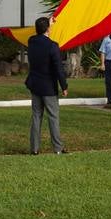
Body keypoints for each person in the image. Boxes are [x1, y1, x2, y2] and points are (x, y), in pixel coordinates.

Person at [24, 16, 68, 154]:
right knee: (53, 117)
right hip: (48, 87)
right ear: (48, 29)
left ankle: (34, 149)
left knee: (36, 116)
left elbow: (40, 35)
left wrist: (48, 24)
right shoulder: (52, 46)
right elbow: (58, 68)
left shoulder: (31, 42)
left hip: (35, 84)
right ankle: (57, 148)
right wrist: (64, 86)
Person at [98, 32, 111, 107]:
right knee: (108, 81)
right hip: (109, 62)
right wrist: (102, 64)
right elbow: (103, 52)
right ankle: (109, 99)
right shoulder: (106, 39)